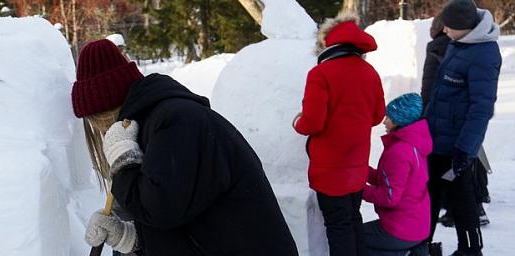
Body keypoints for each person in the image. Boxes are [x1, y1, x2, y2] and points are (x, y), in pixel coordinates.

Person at [74, 39, 298, 256]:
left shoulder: (175, 122)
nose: (103, 135)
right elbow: (184, 218)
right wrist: (131, 238)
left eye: (100, 125)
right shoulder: (158, 124)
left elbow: (159, 209)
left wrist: (123, 163)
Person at [292, 11, 386, 256]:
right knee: (353, 219)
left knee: (338, 226)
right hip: (356, 165)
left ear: (328, 42)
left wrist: (297, 122)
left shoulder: (320, 73)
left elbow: (312, 123)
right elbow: (377, 116)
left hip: (330, 168)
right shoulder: (369, 72)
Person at [423, 0, 502, 255]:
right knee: (435, 195)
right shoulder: (460, 43)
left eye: (449, 26)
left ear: (463, 26)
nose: (444, 31)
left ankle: (469, 249)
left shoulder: (483, 54)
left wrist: (464, 150)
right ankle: (423, 245)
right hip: (438, 137)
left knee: (461, 198)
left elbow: (482, 109)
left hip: (455, 144)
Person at [363, 93, 431, 256]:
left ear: (400, 120)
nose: (384, 121)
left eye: (389, 117)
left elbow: (389, 197)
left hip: (401, 230)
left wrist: (359, 190)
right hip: (417, 225)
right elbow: (390, 180)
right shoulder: (414, 145)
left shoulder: (399, 152)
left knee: (352, 238)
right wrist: (360, 170)